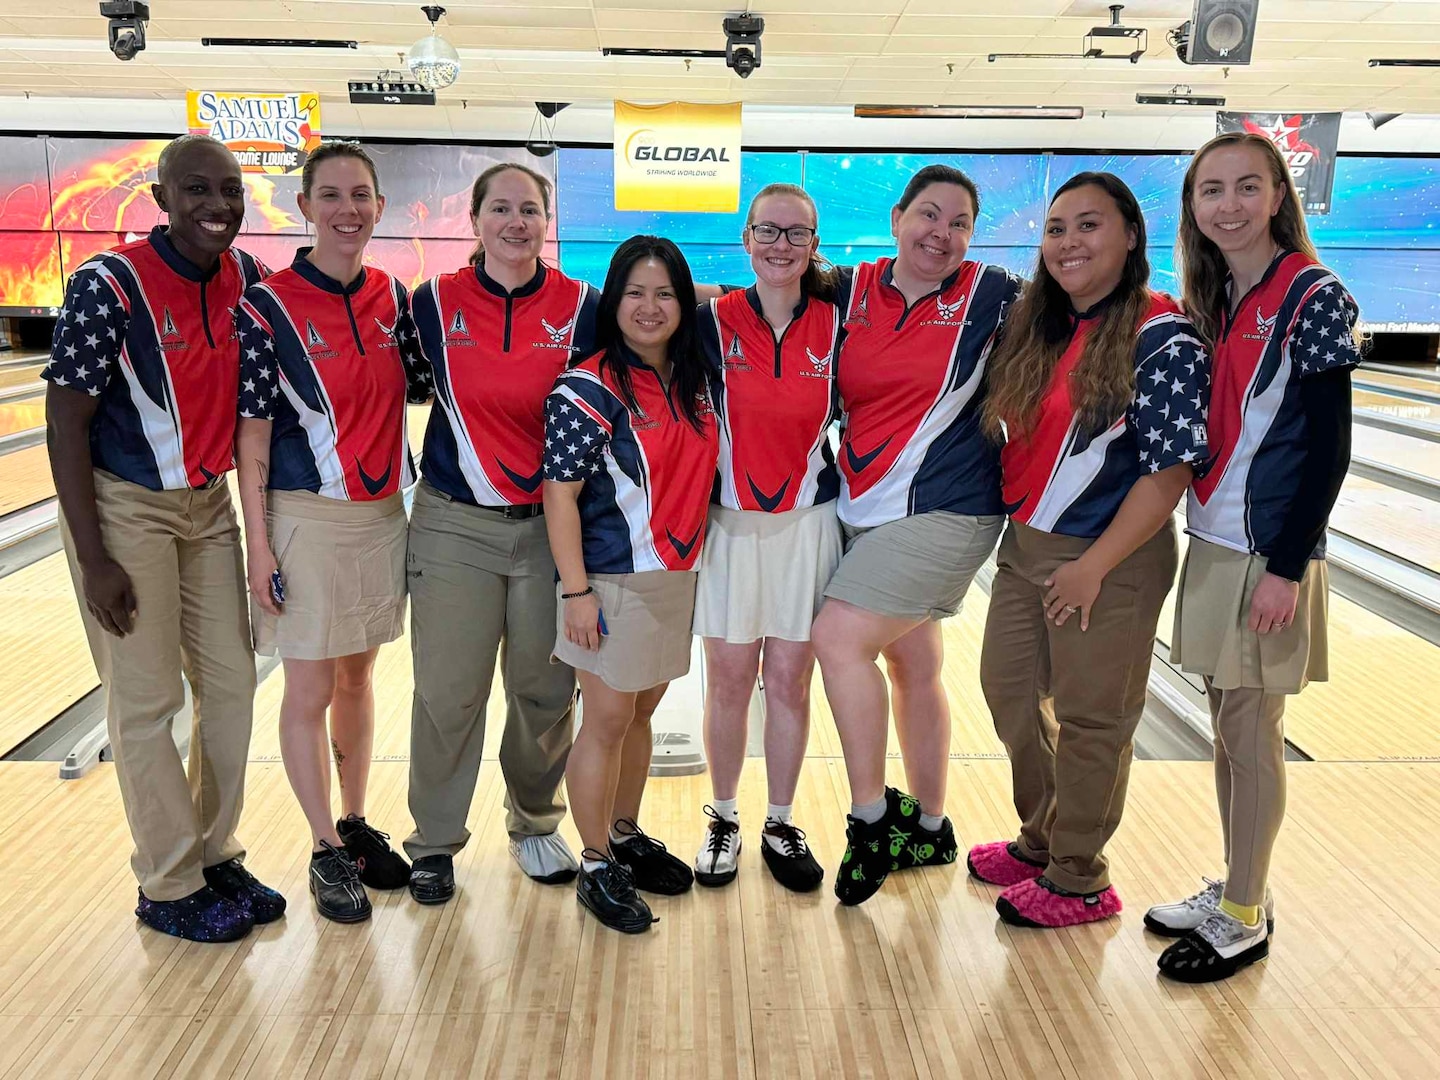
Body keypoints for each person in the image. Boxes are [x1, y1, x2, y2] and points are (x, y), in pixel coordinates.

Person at [43, 133, 284, 943]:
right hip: (125, 510)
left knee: (231, 687)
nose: (217, 206)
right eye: (196, 190)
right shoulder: (106, 286)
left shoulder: (247, 279)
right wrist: (93, 557)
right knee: (147, 700)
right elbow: (64, 422)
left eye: (229, 190)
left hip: (208, 505)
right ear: (161, 199)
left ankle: (215, 853)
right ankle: (169, 881)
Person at [966, 172, 1209, 929]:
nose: (1070, 242)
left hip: (1112, 557)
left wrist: (1093, 566)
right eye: (1058, 229)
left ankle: (1079, 876)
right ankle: (1041, 838)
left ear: (1131, 236)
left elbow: (1169, 470)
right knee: (1008, 691)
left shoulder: (1160, 335)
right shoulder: (1041, 324)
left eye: (1090, 226)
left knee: (1092, 716)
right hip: (1026, 547)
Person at [1146, 132, 1361, 982]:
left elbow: (1332, 448)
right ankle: (1240, 886)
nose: (1228, 205)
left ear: (1278, 195)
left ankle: (1245, 911)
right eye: (1211, 191)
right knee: (1229, 732)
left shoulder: (1311, 294)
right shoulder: (1222, 296)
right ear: (1194, 207)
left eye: (1246, 187)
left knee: (1250, 730)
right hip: (1215, 542)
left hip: (1267, 552)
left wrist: (1288, 565)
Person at [808, 164, 1021, 906]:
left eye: (959, 222)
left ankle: (871, 820)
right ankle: (929, 825)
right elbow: (753, 298)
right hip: (865, 508)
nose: (943, 233)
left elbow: (1090, 311)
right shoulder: (849, 290)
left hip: (950, 508)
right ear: (897, 217)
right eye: (930, 215)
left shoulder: (993, 293)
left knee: (837, 641)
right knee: (913, 665)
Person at [235, 142, 427, 924]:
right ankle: (321, 848)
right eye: (333, 195)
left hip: (382, 515)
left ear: (380, 207)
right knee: (309, 688)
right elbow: (250, 435)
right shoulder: (266, 307)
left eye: (362, 195)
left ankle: (352, 821)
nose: (349, 209)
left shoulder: (394, 296)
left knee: (358, 679)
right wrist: (258, 545)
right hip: (303, 517)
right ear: (307, 205)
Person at [402, 163, 599, 904]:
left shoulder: (583, 306)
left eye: (530, 209)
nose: (517, 222)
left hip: (553, 528)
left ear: (546, 221)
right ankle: (434, 841)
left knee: (544, 692)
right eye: (502, 209)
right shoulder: (431, 303)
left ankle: (535, 823)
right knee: (449, 692)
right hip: (455, 523)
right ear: (476, 219)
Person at [543, 235, 718, 933]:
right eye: (634, 293)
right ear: (611, 302)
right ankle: (593, 863)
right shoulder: (585, 389)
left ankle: (623, 832)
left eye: (666, 293)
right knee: (608, 721)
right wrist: (576, 592)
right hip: (612, 578)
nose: (650, 308)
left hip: (674, 578)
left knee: (642, 716)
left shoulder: (692, 381)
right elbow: (560, 497)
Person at [689, 183, 842, 892]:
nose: (781, 245)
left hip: (808, 527)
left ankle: (780, 820)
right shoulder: (707, 321)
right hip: (725, 528)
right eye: (768, 232)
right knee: (726, 681)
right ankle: (723, 816)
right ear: (747, 238)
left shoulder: (839, 324)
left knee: (788, 681)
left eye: (796, 234)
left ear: (815, 245)